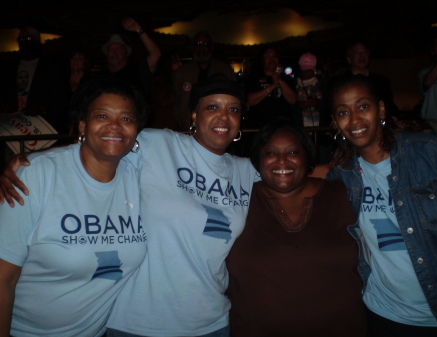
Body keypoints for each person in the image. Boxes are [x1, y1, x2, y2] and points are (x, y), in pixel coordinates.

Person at [0, 74, 259, 337]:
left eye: (233, 110)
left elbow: (292, 177)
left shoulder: (247, 171)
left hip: (211, 321)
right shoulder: (157, 144)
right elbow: (102, 143)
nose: (223, 117)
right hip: (136, 322)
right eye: (212, 107)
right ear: (194, 115)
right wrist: (30, 160)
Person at [0, 77, 149, 336]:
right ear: (82, 124)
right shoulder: (36, 175)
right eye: (102, 115)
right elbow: (4, 278)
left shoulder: (139, 174)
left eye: (126, 119)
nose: (115, 126)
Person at [327, 74, 437, 336]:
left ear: (380, 109)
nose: (355, 119)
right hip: (383, 314)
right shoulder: (342, 174)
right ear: (336, 122)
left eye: (363, 106)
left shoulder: (431, 153)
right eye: (343, 112)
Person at [226, 119, 366, 336]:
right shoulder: (237, 200)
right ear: (258, 160)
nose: (282, 161)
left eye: (292, 152)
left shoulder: (342, 194)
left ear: (307, 157)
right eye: (271, 153)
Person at [0, 26, 69, 133]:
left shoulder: (50, 68)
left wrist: (41, 108)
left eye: (28, 39)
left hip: (39, 125)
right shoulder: (10, 68)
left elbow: (60, 98)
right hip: (12, 124)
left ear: (36, 43)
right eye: (21, 40)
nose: (24, 43)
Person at [173, 31, 236, 131]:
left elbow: (234, 98)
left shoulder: (224, 70)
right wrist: (181, 122)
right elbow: (176, 100)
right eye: (198, 45)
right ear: (193, 48)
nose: (201, 48)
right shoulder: (183, 72)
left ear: (211, 47)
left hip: (217, 124)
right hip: (188, 127)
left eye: (205, 44)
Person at [100, 17, 161, 108]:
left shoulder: (138, 69)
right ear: (106, 54)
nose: (114, 52)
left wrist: (138, 29)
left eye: (118, 49)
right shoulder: (101, 77)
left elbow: (156, 54)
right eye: (111, 49)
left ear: (126, 53)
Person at [244, 46, 297, 129]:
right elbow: (250, 101)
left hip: (282, 126)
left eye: (274, 56)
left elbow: (293, 100)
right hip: (260, 126)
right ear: (262, 60)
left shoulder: (286, 78)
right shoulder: (254, 77)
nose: (272, 59)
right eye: (267, 56)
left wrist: (278, 79)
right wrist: (273, 85)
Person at [296, 52, 323, 127]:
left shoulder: (322, 84)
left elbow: (327, 105)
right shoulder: (293, 85)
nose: (308, 73)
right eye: (305, 70)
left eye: (310, 70)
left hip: (318, 125)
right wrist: (299, 107)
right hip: (300, 125)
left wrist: (317, 104)